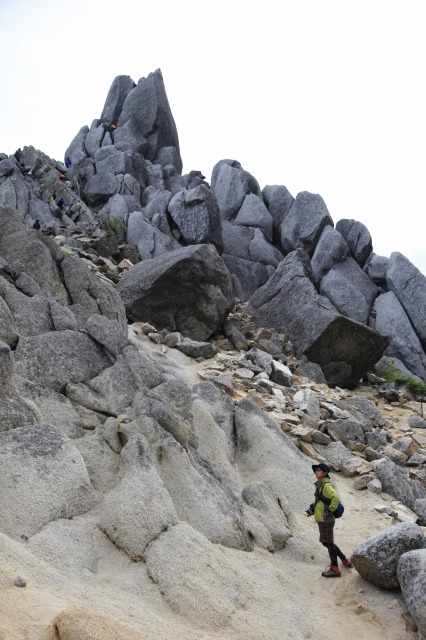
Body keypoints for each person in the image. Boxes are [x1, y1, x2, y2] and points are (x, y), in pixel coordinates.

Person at [306, 463, 353, 577]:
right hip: (323, 518)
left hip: (326, 519)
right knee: (327, 542)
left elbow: (335, 497)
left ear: (325, 473)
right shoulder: (321, 485)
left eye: (319, 470)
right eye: (315, 470)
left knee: (328, 542)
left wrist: (329, 510)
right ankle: (344, 559)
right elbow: (320, 501)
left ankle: (335, 568)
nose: (316, 472)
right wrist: (312, 510)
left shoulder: (326, 485)